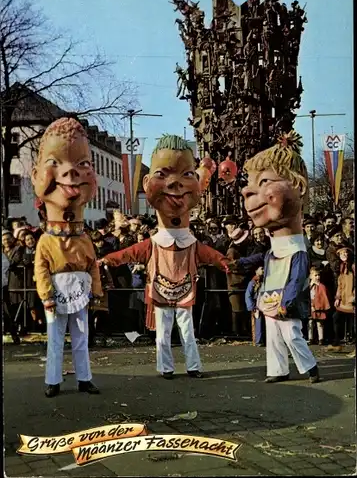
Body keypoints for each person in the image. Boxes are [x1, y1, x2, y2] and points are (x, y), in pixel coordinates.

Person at [99, 134, 231, 379]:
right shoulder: (153, 243)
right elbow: (129, 253)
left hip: (184, 290)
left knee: (187, 331)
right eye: (163, 174)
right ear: (148, 183)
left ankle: (192, 367)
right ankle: (167, 368)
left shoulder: (190, 243)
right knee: (163, 332)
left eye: (186, 174)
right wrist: (109, 259)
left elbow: (209, 254)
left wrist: (223, 261)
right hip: (160, 290)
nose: (175, 183)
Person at [234, 130, 320, 383]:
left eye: (264, 182)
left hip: (285, 301)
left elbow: (296, 279)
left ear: (298, 186)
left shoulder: (298, 251)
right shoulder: (273, 249)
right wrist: (238, 263)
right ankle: (277, 370)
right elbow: (262, 258)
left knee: (292, 333)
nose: (247, 191)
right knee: (272, 333)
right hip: (270, 297)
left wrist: (289, 300)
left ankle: (310, 367)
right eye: (250, 183)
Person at [32, 117, 103, 398]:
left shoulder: (84, 239)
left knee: (81, 336)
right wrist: (46, 294)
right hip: (58, 290)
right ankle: (53, 380)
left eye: (83, 164)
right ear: (36, 174)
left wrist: (95, 290)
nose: (71, 172)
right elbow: (41, 270)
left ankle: (84, 378)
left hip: (80, 290)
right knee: (55, 336)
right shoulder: (46, 241)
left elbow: (92, 266)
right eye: (55, 162)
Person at [330, 246, 355, 350]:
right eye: (342, 253)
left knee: (352, 321)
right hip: (343, 299)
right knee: (336, 317)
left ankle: (351, 341)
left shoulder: (353, 266)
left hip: (352, 297)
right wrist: (337, 298)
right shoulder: (341, 266)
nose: (344, 255)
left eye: (346, 253)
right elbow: (340, 284)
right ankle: (336, 342)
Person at [308, 266, 330, 345]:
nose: (317, 277)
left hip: (318, 307)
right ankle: (310, 338)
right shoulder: (308, 286)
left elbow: (324, 297)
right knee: (310, 323)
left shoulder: (321, 286)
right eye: (315, 275)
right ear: (311, 276)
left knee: (319, 323)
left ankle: (321, 339)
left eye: (318, 275)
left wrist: (317, 306)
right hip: (310, 306)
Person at [245, 266, 265, 346]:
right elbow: (248, 295)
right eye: (261, 269)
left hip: (265, 303)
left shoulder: (265, 281)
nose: (263, 270)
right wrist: (252, 306)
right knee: (258, 323)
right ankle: (258, 341)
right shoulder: (253, 282)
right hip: (257, 305)